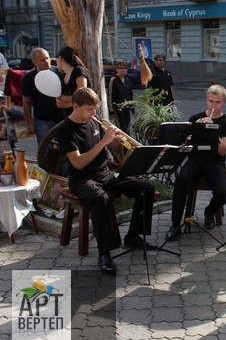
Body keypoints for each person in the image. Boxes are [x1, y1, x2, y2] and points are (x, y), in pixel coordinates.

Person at [56, 87, 155, 275]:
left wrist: (114, 138)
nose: (94, 114)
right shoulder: (65, 130)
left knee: (145, 188)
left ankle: (133, 236)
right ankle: (104, 253)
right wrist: (103, 142)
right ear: (75, 106)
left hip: (104, 175)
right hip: (81, 179)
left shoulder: (94, 122)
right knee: (101, 199)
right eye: (89, 109)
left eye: (95, 109)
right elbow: (77, 163)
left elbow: (113, 146)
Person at [166, 84, 226, 241]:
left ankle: (209, 212)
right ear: (206, 100)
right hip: (195, 160)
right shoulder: (195, 118)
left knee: (223, 193)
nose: (213, 105)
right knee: (181, 181)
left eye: (218, 102)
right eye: (210, 101)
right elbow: (186, 144)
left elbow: (224, 150)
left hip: (215, 163)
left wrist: (213, 131)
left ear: (224, 103)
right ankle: (175, 224)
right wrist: (196, 129)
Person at [22, 47, 64, 144]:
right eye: (42, 60)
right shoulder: (28, 78)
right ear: (34, 62)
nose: (46, 62)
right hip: (42, 119)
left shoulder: (59, 72)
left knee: (64, 149)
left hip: (61, 117)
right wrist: (29, 123)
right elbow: (26, 101)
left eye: (47, 58)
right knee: (45, 150)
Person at [55, 46, 92, 113]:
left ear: (59, 58)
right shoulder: (61, 77)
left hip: (83, 115)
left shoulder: (78, 71)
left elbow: (82, 97)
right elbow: (59, 104)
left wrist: (64, 98)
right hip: (68, 117)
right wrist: (74, 100)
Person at [107, 60, 134, 133]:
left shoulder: (128, 80)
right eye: (121, 68)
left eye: (125, 68)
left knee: (128, 127)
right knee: (121, 127)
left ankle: (128, 142)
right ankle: (122, 143)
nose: (124, 70)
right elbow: (110, 95)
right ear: (117, 69)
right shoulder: (114, 80)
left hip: (127, 107)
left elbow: (130, 95)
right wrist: (111, 111)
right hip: (118, 107)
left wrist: (133, 109)